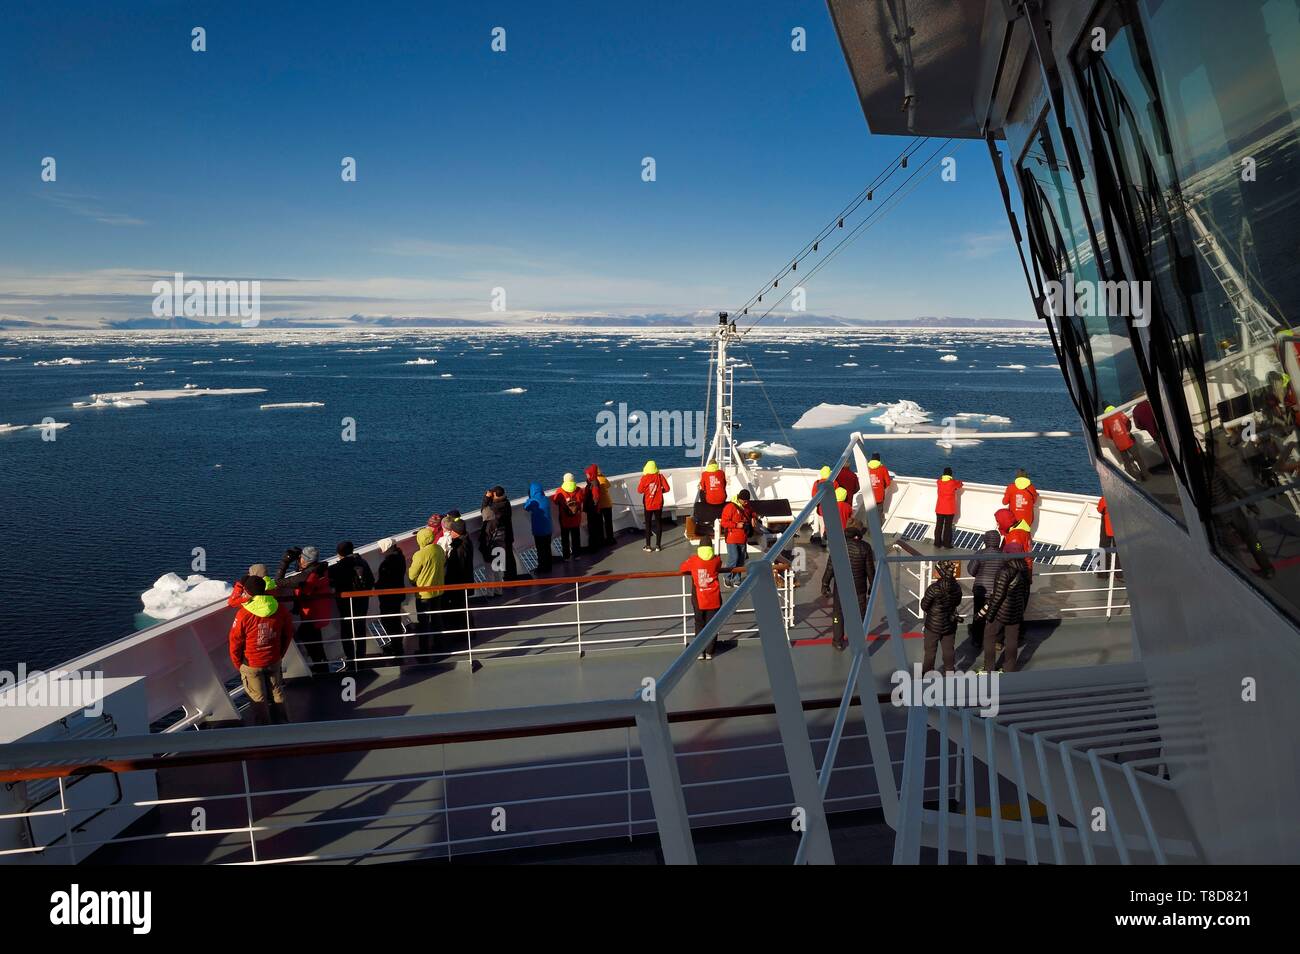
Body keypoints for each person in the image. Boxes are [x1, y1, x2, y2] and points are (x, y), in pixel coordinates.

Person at [227, 576, 294, 725]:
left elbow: (235, 641)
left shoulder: (244, 614)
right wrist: (280, 653)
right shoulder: (279, 608)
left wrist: (238, 664)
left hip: (251, 663)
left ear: (248, 592)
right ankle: (284, 724)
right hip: (273, 659)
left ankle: (263, 731)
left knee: (258, 698)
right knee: (277, 692)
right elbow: (288, 633)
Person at [976, 542, 1030, 673]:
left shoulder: (1005, 571)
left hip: (1001, 612)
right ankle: (1009, 669)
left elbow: (998, 595)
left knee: (989, 638)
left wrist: (989, 615)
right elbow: (1025, 593)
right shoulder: (1025, 569)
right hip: (1016, 612)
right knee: (1012, 641)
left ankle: (989, 668)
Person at [821, 519, 875, 651]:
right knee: (860, 616)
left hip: (841, 587)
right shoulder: (865, 547)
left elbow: (830, 567)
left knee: (838, 614)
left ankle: (838, 642)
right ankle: (858, 643)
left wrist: (825, 583)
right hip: (859, 588)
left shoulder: (838, 545)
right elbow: (870, 570)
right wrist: (872, 587)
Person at [329, 542, 375, 670]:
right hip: (362, 602)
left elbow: (328, 580)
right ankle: (360, 657)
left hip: (345, 604)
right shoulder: (363, 563)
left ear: (338, 554)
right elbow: (371, 581)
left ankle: (351, 658)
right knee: (360, 628)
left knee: (347, 631)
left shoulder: (336, 568)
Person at [291, 547, 334, 675]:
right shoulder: (323, 571)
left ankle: (319, 668)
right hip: (319, 614)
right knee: (316, 641)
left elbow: (305, 592)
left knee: (306, 639)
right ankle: (321, 666)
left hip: (311, 615)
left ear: (305, 560)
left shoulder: (312, 576)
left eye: (301, 558)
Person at [408, 526, 447, 659]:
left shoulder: (420, 555)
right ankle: (440, 644)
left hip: (424, 594)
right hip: (438, 591)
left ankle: (424, 649)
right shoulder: (439, 549)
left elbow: (412, 575)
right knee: (437, 618)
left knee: (423, 623)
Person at [680, 543, 723, 660]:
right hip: (713, 597)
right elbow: (719, 564)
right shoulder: (716, 560)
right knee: (712, 624)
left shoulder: (694, 560)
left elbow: (682, 567)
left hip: (699, 598)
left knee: (699, 623)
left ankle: (700, 651)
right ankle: (709, 651)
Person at [920, 561, 962, 674]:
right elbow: (957, 602)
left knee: (930, 652)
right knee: (948, 650)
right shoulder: (957, 588)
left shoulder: (934, 588)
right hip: (950, 625)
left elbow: (924, 605)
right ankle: (949, 673)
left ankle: (927, 676)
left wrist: (933, 613)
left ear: (940, 572)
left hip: (933, 626)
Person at [966, 530, 1003, 654]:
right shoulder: (1004, 555)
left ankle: (977, 640)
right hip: (996, 591)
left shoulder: (980, 554)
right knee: (995, 616)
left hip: (980, 590)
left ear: (985, 541)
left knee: (978, 615)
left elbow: (971, 570)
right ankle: (996, 641)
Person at [441, 517, 476, 650]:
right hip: (465, 581)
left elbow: (457, 567)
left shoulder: (459, 547)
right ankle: (468, 631)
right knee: (464, 608)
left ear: (456, 531)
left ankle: (464, 633)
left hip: (459, 583)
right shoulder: (466, 542)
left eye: (452, 530)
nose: (450, 532)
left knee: (461, 608)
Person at [719, 490, 756, 587]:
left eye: (747, 501)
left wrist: (753, 518)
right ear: (739, 499)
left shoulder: (747, 506)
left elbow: (752, 512)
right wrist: (736, 525)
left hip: (742, 537)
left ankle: (737, 579)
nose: (746, 502)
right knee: (733, 558)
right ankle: (727, 577)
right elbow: (724, 522)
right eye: (744, 501)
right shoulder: (730, 507)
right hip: (732, 538)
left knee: (741, 559)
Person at [375, 538, 408, 643]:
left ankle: (395, 645)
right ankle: (397, 644)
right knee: (395, 620)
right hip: (397, 593)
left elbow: (385, 579)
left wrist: (376, 586)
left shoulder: (388, 562)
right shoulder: (400, 557)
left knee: (388, 621)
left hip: (388, 596)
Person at [1102, 405, 1147, 481]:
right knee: (1138, 457)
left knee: (1127, 461)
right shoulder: (1118, 412)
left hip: (1119, 443)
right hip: (1128, 439)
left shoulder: (1104, 419)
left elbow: (1107, 434)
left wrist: (1114, 437)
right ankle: (1146, 475)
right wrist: (1128, 431)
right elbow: (1127, 421)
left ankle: (1136, 479)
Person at [491, 486, 524, 580]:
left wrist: (487, 499)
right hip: (508, 534)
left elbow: (486, 510)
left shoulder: (496, 506)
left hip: (500, 536)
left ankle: (504, 578)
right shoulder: (506, 502)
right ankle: (512, 576)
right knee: (509, 556)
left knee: (500, 557)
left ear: (494, 494)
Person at [637, 460, 670, 551]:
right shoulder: (660, 477)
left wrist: (648, 492)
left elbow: (639, 490)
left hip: (648, 504)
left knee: (648, 524)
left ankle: (648, 546)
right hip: (658, 503)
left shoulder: (645, 478)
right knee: (659, 523)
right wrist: (659, 491)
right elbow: (667, 488)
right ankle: (658, 546)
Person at [523, 481, 554, 573]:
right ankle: (549, 566)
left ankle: (542, 567)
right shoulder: (545, 499)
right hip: (548, 528)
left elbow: (526, 507)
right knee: (547, 548)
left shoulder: (533, 501)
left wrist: (529, 498)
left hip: (539, 530)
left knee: (540, 550)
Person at [552, 473, 585, 560]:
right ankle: (577, 555)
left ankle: (566, 556)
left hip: (564, 519)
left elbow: (555, 501)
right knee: (576, 537)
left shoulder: (560, 491)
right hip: (576, 518)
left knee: (565, 538)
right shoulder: (578, 490)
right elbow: (582, 499)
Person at [934, 467, 962, 548]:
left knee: (939, 526)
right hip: (949, 509)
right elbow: (960, 484)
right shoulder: (953, 482)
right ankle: (946, 543)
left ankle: (937, 542)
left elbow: (941, 481)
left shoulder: (939, 482)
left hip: (939, 508)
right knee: (948, 527)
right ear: (950, 474)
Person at [582, 465, 605, 550]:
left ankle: (593, 546)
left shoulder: (594, 484)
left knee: (592, 528)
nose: (586, 475)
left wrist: (592, 504)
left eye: (588, 474)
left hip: (593, 510)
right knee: (597, 526)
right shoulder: (593, 482)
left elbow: (596, 497)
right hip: (595, 510)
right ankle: (599, 543)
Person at [1096, 496, 1118, 578]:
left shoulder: (1105, 498)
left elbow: (1100, 509)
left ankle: (1102, 574)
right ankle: (1119, 574)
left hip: (1107, 526)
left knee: (1103, 548)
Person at [810, 465, 832, 544]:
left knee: (822, 525)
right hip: (831, 508)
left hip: (821, 508)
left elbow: (813, 495)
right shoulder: (834, 483)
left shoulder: (817, 483)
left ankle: (823, 542)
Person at [595, 465, 615, 547]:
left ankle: (601, 540)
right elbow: (608, 485)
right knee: (608, 523)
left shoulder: (594, 480)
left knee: (600, 524)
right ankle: (610, 539)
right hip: (607, 503)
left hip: (600, 505)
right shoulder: (603, 478)